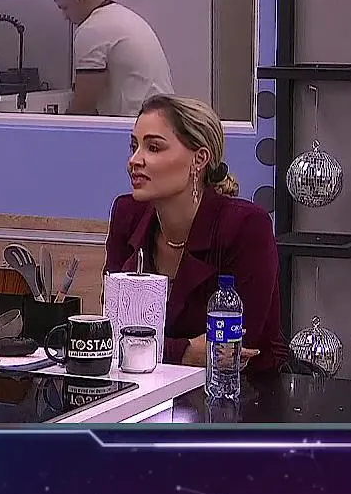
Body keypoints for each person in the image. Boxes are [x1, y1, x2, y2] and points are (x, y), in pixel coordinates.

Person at [104, 94, 286, 373]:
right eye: (134, 146)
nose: (134, 160)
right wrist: (186, 351)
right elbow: (111, 333)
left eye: (153, 147)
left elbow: (235, 347)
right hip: (146, 385)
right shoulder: (127, 214)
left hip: (245, 388)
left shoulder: (246, 225)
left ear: (199, 159)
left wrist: (146, 348)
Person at [47, 0, 174, 116]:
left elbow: (84, 105)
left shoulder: (92, 29)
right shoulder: (122, 16)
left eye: (64, 7)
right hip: (165, 117)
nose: (65, 17)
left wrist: (59, 127)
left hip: (138, 122)